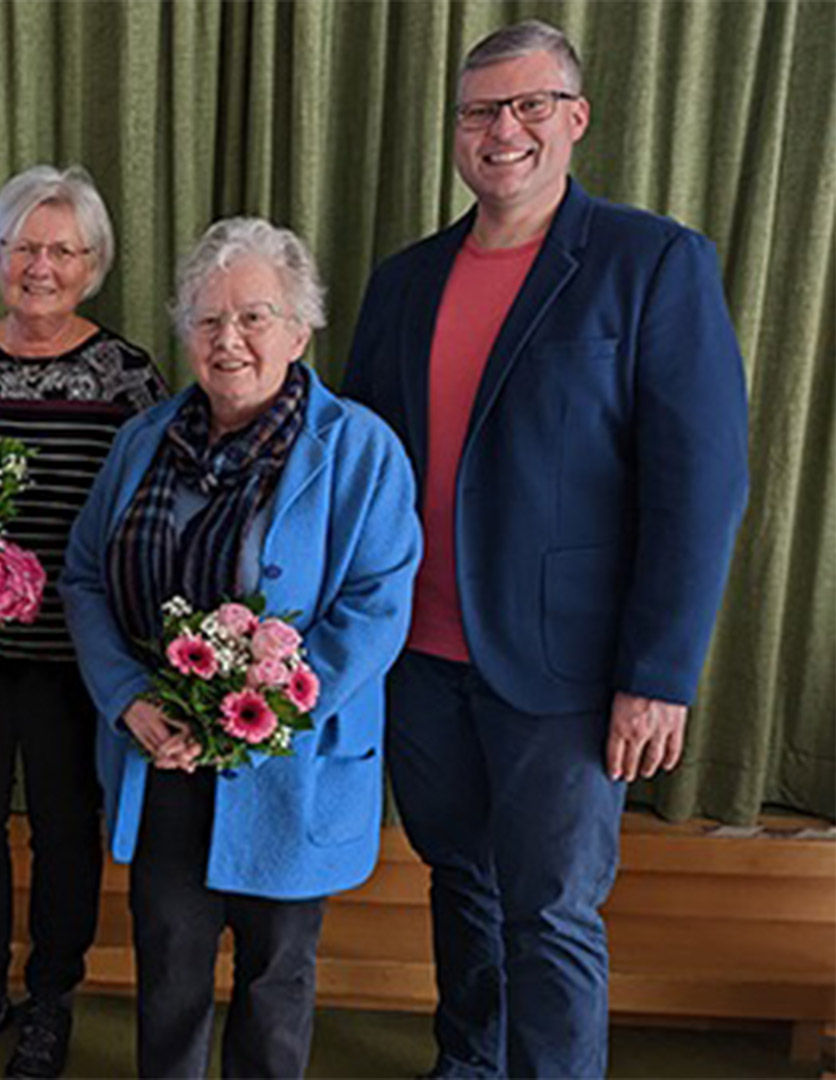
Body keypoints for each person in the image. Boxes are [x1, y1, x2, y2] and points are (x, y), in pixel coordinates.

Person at [342, 20, 750, 1079]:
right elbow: (360, 467)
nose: (503, 130)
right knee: (459, 881)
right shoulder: (403, 282)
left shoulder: (651, 262)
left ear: (574, 118)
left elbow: (699, 486)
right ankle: (467, 1064)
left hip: (567, 671)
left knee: (552, 911)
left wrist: (658, 675)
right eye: (480, 111)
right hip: (419, 659)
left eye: (529, 106)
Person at [61, 217, 422, 1078]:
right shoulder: (142, 441)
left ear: (300, 331)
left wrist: (258, 714)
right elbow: (83, 577)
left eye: (254, 317)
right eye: (208, 319)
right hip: (161, 755)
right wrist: (127, 699)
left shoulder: (359, 449)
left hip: (288, 761)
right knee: (169, 968)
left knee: (274, 978)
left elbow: (377, 607)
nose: (229, 340)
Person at [0, 164, 165, 1079]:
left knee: (65, 827)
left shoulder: (129, 377)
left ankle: (51, 997)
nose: (41, 267)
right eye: (24, 247)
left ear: (92, 264)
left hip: (77, 656)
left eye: (62, 250)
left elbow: (154, 513)